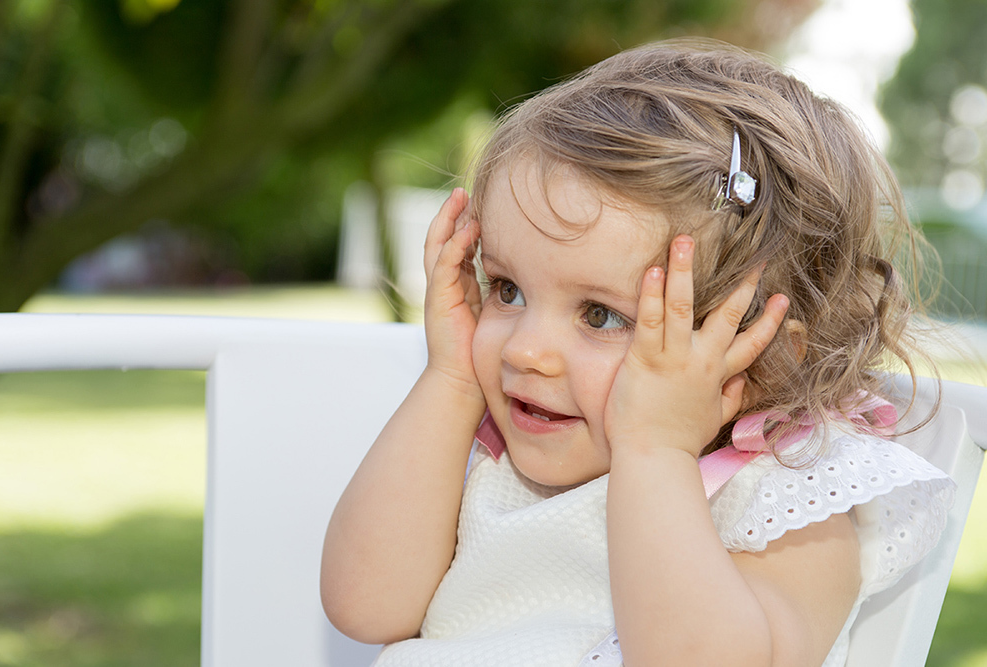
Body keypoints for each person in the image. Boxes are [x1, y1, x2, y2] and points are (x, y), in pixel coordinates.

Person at [320, 40, 956, 667]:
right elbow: (366, 607)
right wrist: (453, 379)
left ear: (757, 357)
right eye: (507, 290)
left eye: (601, 316)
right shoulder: (488, 452)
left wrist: (656, 454)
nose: (526, 349)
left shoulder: (780, 506)